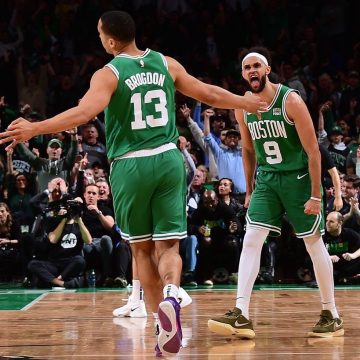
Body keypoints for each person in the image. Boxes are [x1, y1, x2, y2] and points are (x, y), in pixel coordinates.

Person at [0, 11, 265, 356]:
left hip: (130, 165)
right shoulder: (164, 63)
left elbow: (83, 113)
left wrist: (36, 128)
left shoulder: (108, 74)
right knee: (168, 248)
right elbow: (208, 93)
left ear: (110, 40)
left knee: (141, 251)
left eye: (100, 35)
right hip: (169, 159)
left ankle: (161, 325)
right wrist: (243, 101)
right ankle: (172, 294)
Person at [208, 47, 344, 339]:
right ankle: (241, 313)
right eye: (247, 68)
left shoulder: (290, 100)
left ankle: (330, 312)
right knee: (251, 238)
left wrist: (316, 195)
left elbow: (313, 152)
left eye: (256, 65)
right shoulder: (242, 105)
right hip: (267, 179)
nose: (252, 71)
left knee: (312, 242)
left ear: (267, 70)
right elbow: (247, 148)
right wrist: (249, 187)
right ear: (243, 75)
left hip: (297, 178)